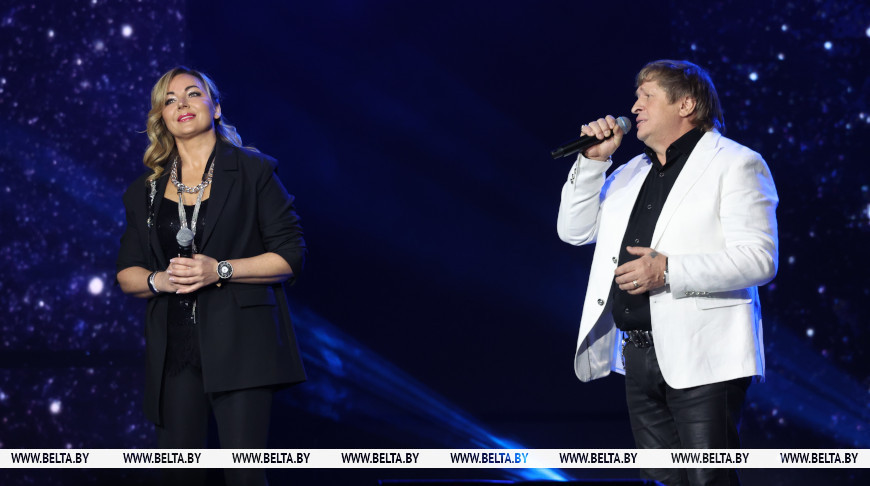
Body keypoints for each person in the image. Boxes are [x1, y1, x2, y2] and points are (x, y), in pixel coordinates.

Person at [557, 60, 778, 485]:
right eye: (636, 97)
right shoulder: (629, 173)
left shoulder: (736, 163)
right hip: (637, 355)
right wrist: (593, 163)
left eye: (647, 96)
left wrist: (668, 271)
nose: (634, 107)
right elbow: (574, 231)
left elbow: (759, 258)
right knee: (661, 481)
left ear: (686, 104)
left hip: (705, 357)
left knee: (708, 480)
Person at [116, 66, 307, 486]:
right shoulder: (144, 190)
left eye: (192, 93)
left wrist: (219, 270)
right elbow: (127, 272)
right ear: (161, 117)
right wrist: (159, 280)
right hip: (175, 352)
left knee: (244, 477)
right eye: (169, 100)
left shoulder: (254, 170)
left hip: (242, 344)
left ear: (215, 107)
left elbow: (290, 256)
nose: (181, 104)